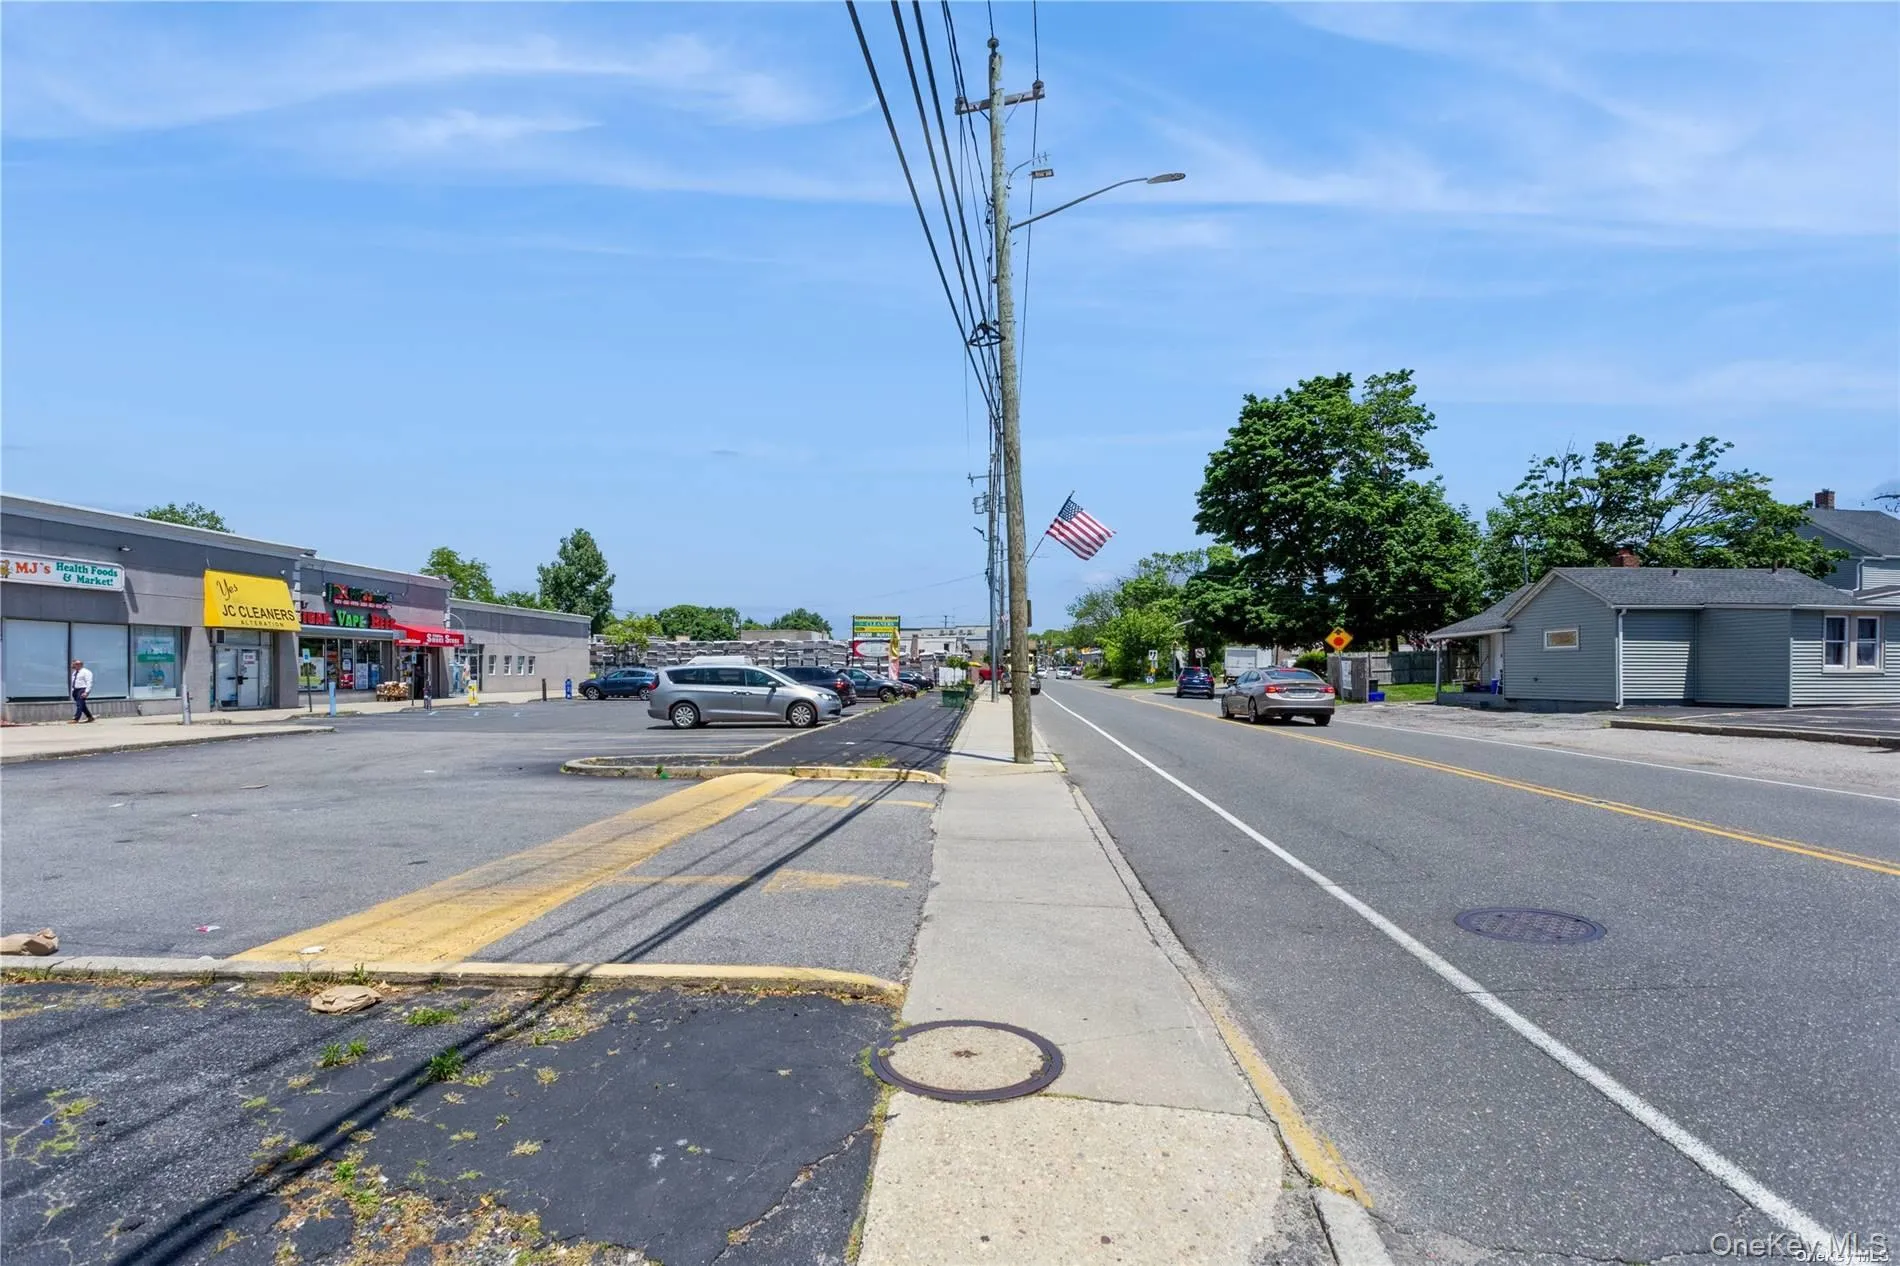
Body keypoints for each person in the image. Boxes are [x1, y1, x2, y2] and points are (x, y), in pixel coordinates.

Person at [70, 659, 95, 723]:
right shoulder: (74, 673)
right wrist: (73, 690)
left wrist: (86, 692)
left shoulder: (86, 672)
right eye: (73, 664)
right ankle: (90, 717)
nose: (73, 665)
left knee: (79, 704)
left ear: (80, 665)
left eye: (75, 664)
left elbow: (89, 682)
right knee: (82, 704)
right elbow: (73, 682)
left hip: (82, 689)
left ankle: (76, 718)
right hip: (75, 690)